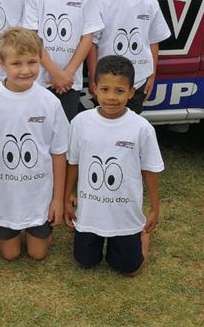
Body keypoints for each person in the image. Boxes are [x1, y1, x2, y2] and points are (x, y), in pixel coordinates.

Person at [65, 55, 164, 276]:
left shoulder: (141, 128)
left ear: (131, 92)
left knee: (130, 270)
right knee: (85, 261)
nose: (111, 97)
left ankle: (142, 235)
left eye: (119, 91)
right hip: (90, 212)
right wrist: (66, 197)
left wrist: (154, 208)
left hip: (124, 213)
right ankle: (91, 236)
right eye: (105, 89)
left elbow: (150, 169)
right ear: (94, 89)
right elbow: (73, 162)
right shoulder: (80, 123)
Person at [0, 27, 69, 261]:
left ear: (40, 60)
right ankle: (6, 227)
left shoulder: (50, 102)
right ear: (1, 63)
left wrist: (58, 199)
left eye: (32, 62)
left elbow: (58, 152)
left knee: (38, 254)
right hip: (4, 195)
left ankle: (37, 228)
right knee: (10, 255)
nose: (25, 70)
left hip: (39, 195)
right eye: (16, 63)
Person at [22, 0, 103, 120]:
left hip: (70, 82)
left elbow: (88, 37)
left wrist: (68, 73)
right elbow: (31, 37)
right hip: (39, 80)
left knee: (65, 130)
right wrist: (54, 72)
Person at [87, 0, 171, 114]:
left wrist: (152, 74)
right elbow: (92, 43)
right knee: (105, 123)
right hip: (107, 83)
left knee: (131, 123)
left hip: (138, 82)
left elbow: (153, 42)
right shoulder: (101, 2)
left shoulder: (150, 3)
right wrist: (94, 77)